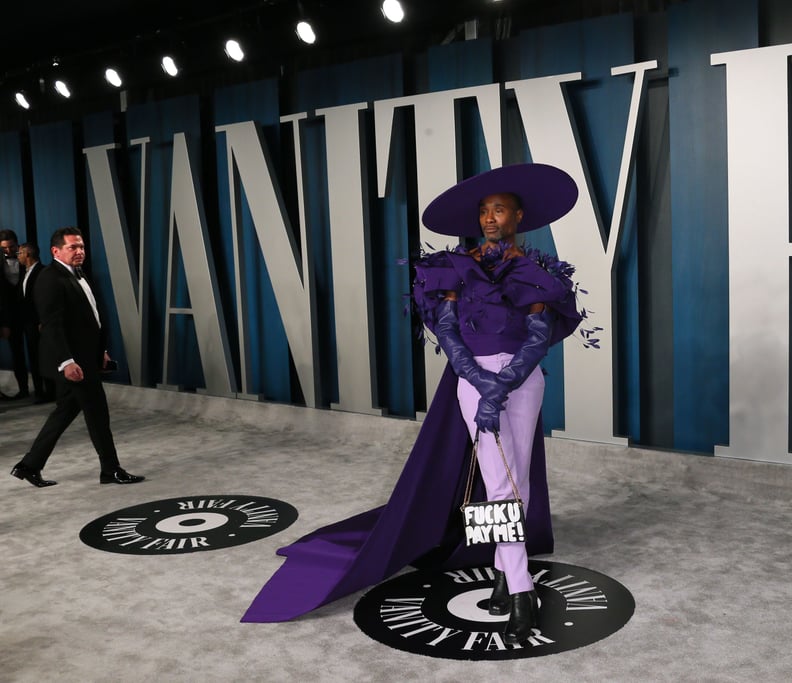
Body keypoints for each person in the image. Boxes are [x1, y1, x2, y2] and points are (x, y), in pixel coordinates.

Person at [242, 164, 584, 636]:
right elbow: (446, 331)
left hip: (521, 382)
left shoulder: (534, 272)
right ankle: (522, 589)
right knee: (498, 481)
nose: (488, 218)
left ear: (518, 216)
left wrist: (501, 384)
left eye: (498, 209)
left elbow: (539, 335)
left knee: (517, 480)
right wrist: (480, 383)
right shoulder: (451, 267)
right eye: (483, 211)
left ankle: (505, 576)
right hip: (474, 379)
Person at [10, 227, 144, 488]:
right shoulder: (50, 278)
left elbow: (88, 319)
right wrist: (67, 362)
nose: (80, 251)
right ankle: (110, 469)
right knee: (98, 414)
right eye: (73, 247)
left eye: (81, 246)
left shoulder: (78, 274)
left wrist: (100, 351)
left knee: (64, 412)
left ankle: (29, 465)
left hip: (85, 358)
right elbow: (52, 325)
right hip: (73, 363)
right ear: (56, 251)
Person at [18, 242, 54, 403]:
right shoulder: (23, 273)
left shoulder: (43, 271)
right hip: (28, 324)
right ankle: (40, 392)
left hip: (39, 324)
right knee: (34, 357)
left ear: (27, 254)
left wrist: (42, 320)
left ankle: (50, 392)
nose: (18, 256)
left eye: (20, 253)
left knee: (45, 357)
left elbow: (45, 299)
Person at [0, 229, 29, 400]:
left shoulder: (28, 260)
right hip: (10, 318)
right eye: (4, 248)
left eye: (11, 247)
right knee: (17, 354)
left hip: (30, 315)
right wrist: (4, 323)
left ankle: (45, 390)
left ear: (17, 244)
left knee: (38, 352)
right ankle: (24, 390)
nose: (8, 251)